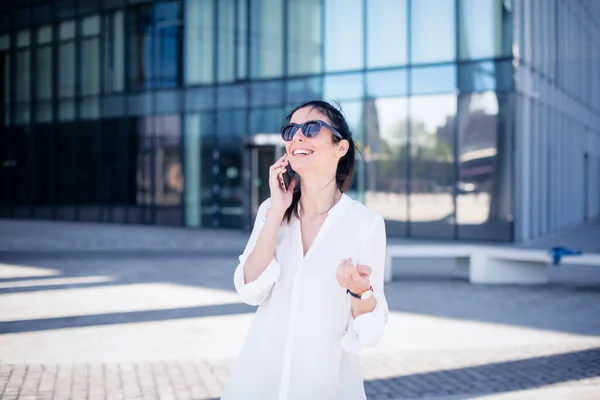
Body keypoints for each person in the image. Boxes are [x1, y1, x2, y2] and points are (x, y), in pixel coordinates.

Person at [220, 100, 388, 400]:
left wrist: (361, 291)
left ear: (341, 147)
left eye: (311, 128)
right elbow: (249, 290)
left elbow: (369, 331)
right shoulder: (272, 210)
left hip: (327, 386)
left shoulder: (366, 223)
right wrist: (276, 211)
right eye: (291, 129)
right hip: (259, 383)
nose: (297, 136)